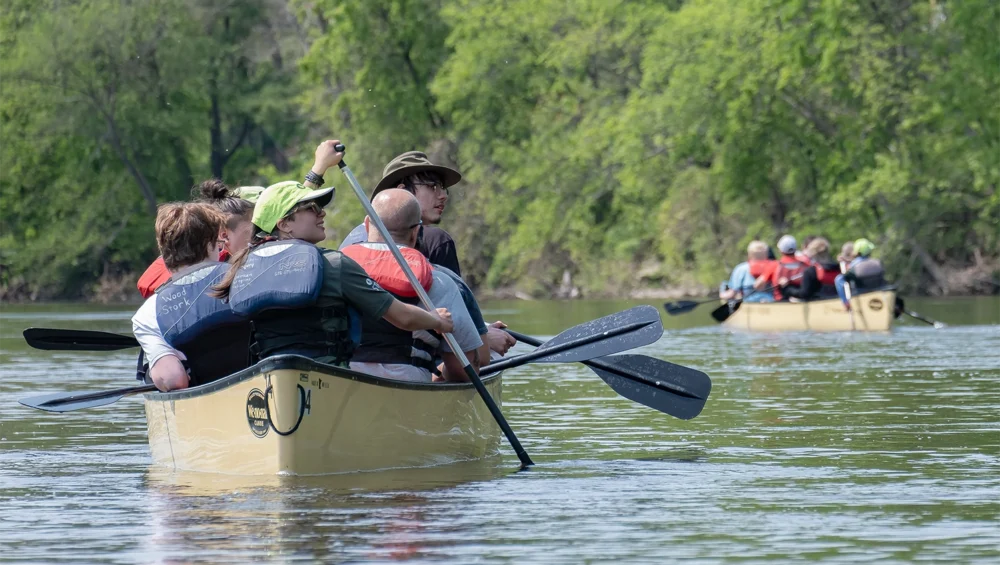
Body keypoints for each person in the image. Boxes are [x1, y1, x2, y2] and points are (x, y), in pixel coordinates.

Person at [212, 172, 454, 367]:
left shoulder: (239, 268)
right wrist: (436, 320)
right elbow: (403, 317)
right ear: (284, 224)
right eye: (311, 208)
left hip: (267, 380)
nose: (322, 212)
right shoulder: (333, 264)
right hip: (329, 379)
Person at [339, 151, 516, 356]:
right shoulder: (437, 241)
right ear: (403, 190)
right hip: (411, 355)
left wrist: (482, 328)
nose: (443, 196)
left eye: (443, 188)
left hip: (356, 357)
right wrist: (483, 337)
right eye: (433, 187)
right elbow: (453, 321)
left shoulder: (353, 243)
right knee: (482, 355)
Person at [342, 189, 485, 382]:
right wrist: (440, 377)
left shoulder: (337, 270)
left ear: (367, 225)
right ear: (416, 231)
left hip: (342, 379)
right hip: (408, 382)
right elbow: (464, 370)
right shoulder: (440, 281)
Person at [131, 202, 253, 391]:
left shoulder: (147, 314)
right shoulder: (251, 275)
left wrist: (153, 373)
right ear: (210, 243)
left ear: (163, 250)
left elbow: (174, 380)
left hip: (205, 403)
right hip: (261, 387)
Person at [758, 235, 810, 301]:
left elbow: (758, 285)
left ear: (780, 250)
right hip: (803, 300)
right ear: (795, 248)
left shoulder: (774, 265)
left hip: (781, 302)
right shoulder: (806, 264)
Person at [836, 238, 886, 307]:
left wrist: (845, 300)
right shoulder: (877, 263)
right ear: (869, 251)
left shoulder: (854, 267)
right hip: (880, 295)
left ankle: (846, 303)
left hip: (862, 296)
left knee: (839, 278)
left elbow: (839, 280)